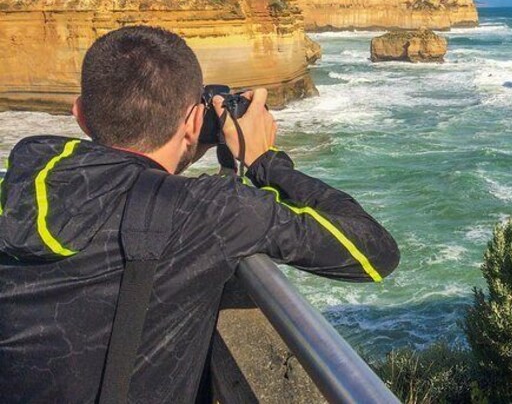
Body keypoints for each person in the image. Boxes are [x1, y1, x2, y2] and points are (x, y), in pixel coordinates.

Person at [0, 25, 399, 402]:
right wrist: (264, 161)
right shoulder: (212, 211)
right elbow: (374, 252)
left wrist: (184, 145)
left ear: (80, 113)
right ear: (194, 120)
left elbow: (125, 181)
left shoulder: (22, 177)